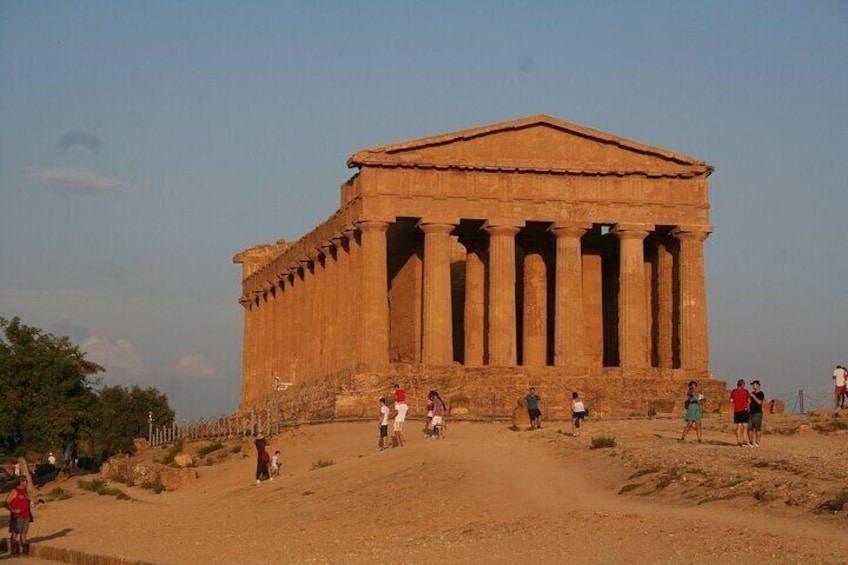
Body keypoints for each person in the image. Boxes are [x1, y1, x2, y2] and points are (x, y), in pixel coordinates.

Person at [6, 475, 32, 557]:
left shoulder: (25, 491)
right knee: (15, 534)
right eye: (25, 481)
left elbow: (28, 502)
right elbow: (6, 503)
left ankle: (24, 552)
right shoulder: (14, 491)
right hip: (17, 516)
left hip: (26, 515)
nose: (26, 482)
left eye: (26, 481)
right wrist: (13, 510)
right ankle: (13, 552)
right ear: (21, 482)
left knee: (24, 534)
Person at [730, 379, 752, 447]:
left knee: (739, 426)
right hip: (744, 410)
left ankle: (739, 442)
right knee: (745, 426)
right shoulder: (746, 392)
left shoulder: (733, 391)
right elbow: (749, 401)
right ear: (742, 385)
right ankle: (744, 440)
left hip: (737, 411)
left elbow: (731, 400)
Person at [748, 380, 765, 447]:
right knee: (749, 428)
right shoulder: (751, 393)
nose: (752, 386)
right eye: (752, 385)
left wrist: (753, 396)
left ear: (757, 385)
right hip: (751, 413)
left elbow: (759, 402)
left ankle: (757, 443)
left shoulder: (761, 394)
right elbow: (749, 402)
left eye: (753, 384)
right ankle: (751, 442)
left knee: (757, 428)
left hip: (758, 413)